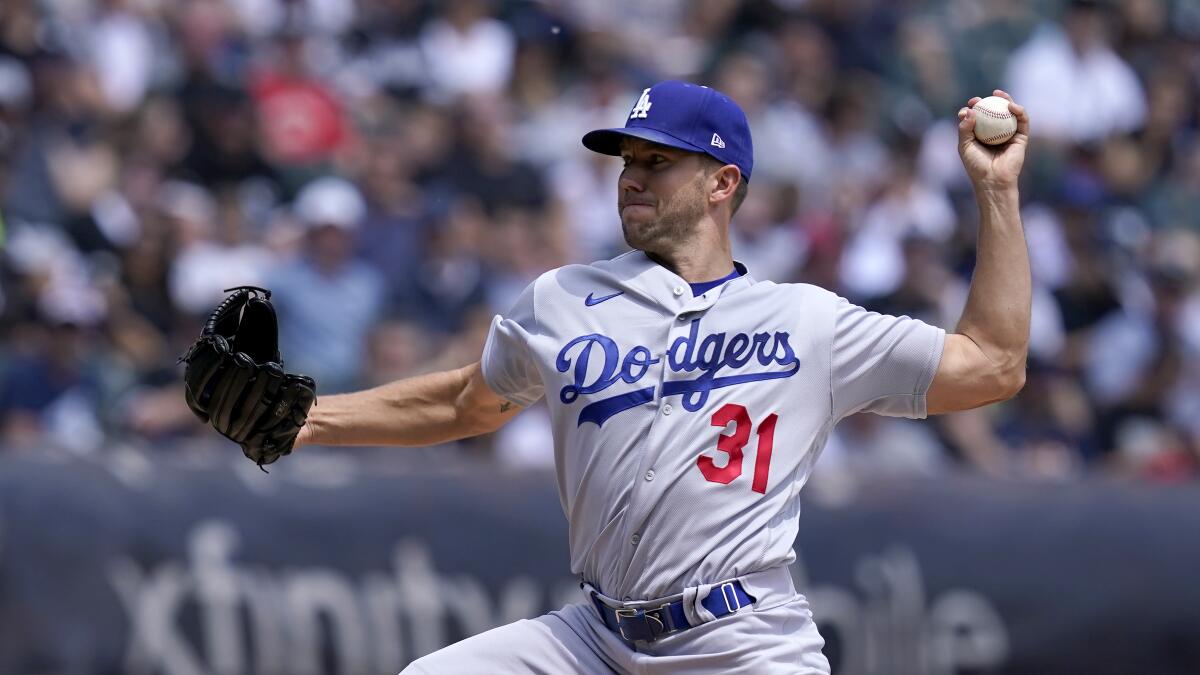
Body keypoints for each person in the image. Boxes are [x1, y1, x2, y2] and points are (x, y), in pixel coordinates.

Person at [294, 80, 1032, 674]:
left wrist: (996, 194)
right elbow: (468, 400)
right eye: (626, 162)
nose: (631, 179)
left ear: (722, 182)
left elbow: (993, 365)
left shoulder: (806, 320)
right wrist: (312, 417)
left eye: (657, 162)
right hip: (592, 638)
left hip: (742, 641)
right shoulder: (562, 298)